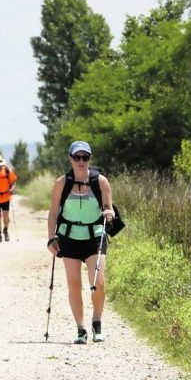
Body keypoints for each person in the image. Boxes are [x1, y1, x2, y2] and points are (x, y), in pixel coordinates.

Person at [46, 141, 114, 344]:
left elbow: (108, 208)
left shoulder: (101, 182)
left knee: (98, 283)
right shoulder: (61, 183)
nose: (81, 161)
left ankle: (97, 321)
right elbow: (52, 213)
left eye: (85, 157)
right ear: (71, 159)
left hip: (95, 237)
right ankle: (81, 329)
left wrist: (109, 214)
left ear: (89, 159)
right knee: (74, 285)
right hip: (69, 238)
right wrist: (51, 238)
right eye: (77, 157)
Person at [0, 154, 18, 242]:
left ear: (2, 164)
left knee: (6, 217)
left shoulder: (8, 171)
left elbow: (13, 183)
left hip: (6, 197)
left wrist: (11, 189)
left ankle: (5, 230)